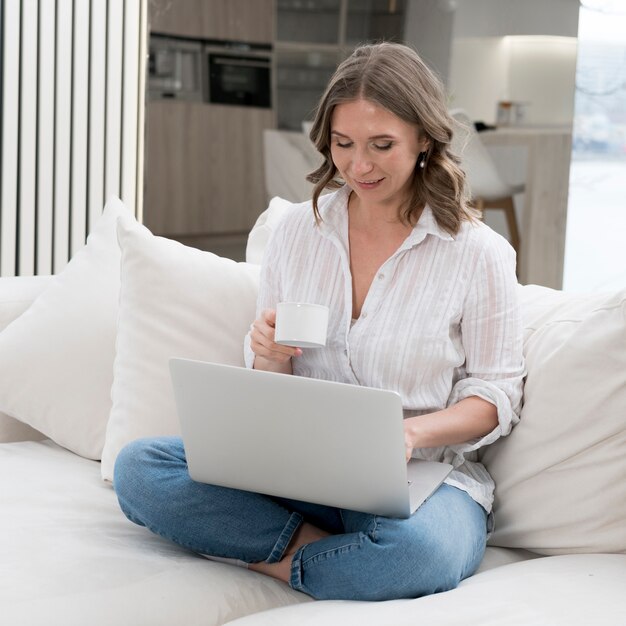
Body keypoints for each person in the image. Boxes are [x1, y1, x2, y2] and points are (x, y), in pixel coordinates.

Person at [114, 42, 525, 602]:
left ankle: (269, 556)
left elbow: (496, 393)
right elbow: (271, 385)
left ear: (424, 139)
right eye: (344, 144)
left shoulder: (478, 253)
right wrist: (269, 353)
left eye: (382, 145)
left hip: (421, 481)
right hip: (299, 472)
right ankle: (315, 551)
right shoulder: (297, 232)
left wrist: (409, 433)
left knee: (418, 556)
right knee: (141, 469)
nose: (358, 166)